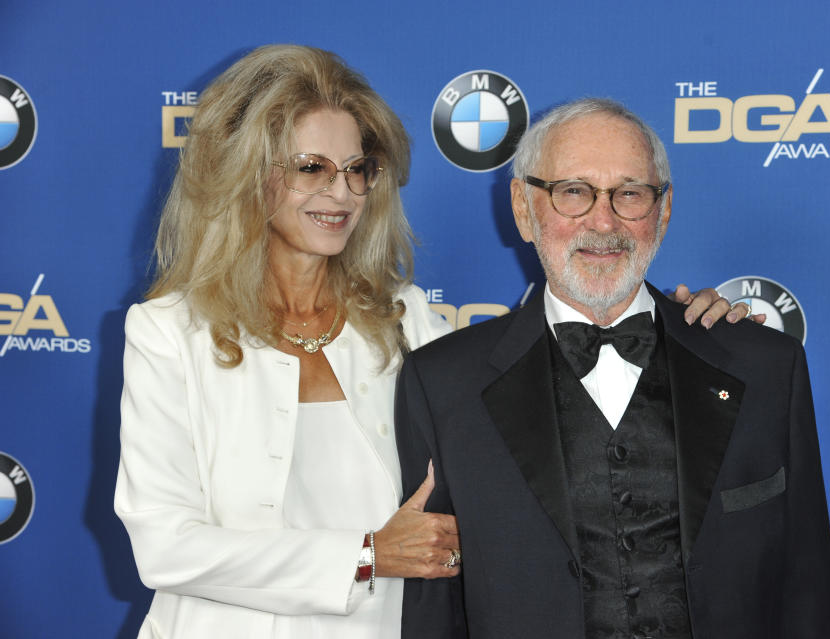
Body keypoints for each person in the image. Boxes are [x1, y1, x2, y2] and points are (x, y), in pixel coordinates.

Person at [114, 47, 745, 638]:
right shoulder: (169, 333)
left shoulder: (405, 318)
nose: (342, 193)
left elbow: (541, 390)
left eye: (357, 169)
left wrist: (679, 332)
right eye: (312, 168)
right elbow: (166, 547)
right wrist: (366, 556)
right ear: (247, 175)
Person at [395, 98, 830, 639]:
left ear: (665, 209)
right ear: (523, 208)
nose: (603, 221)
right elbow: (433, 607)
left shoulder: (765, 366)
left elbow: (808, 590)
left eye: (629, 193)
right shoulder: (442, 382)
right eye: (574, 192)